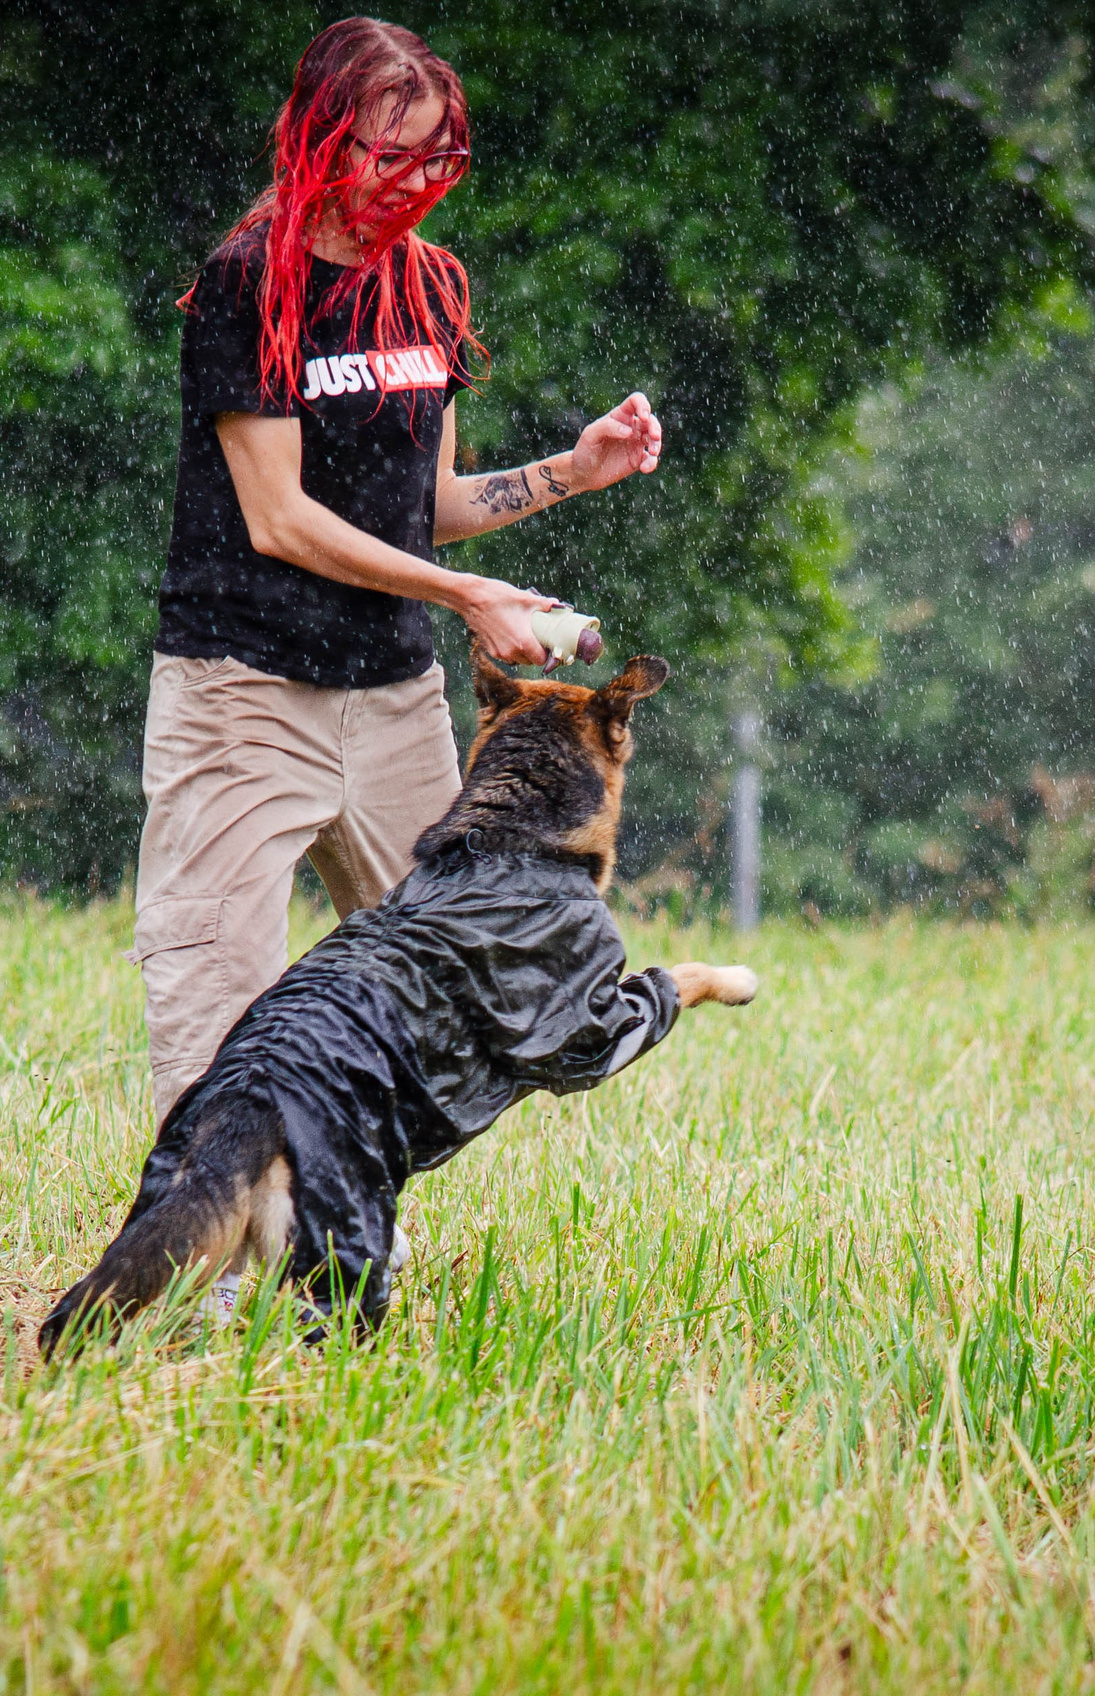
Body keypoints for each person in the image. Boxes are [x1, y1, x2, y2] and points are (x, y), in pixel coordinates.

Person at [137, 15, 664, 1127]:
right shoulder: (251, 282)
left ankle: (344, 1207)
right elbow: (280, 519)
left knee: (454, 996)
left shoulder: (428, 287)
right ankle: (215, 1234)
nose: (420, 181)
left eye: (441, 156)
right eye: (395, 154)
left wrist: (572, 471)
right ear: (323, 139)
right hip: (245, 696)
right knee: (214, 1010)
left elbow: (427, 508)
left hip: (391, 698)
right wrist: (463, 594)